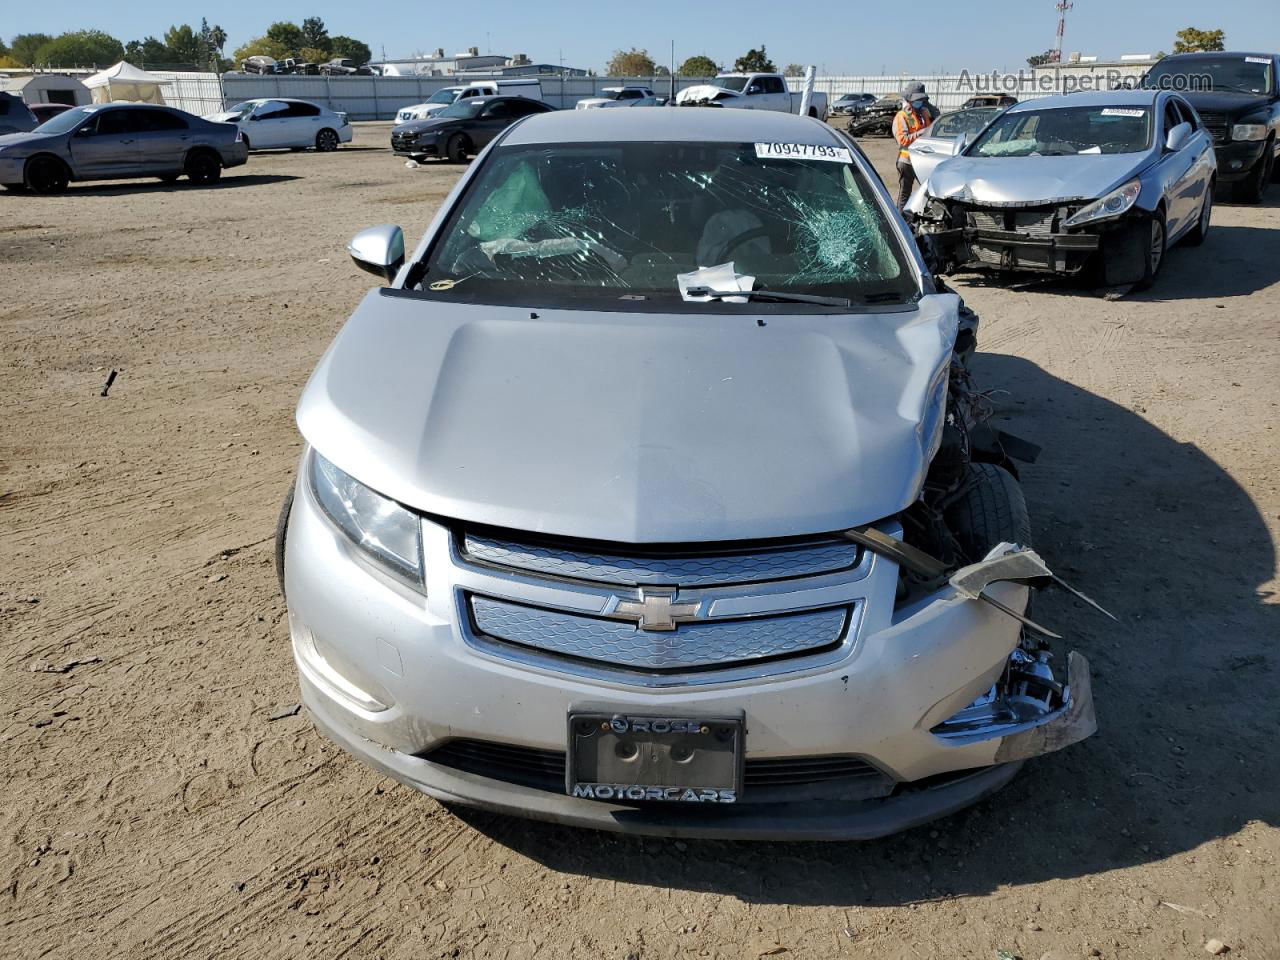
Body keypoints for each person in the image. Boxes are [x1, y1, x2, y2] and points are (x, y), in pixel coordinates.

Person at [892, 80, 940, 209]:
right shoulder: (901, 116)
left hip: (923, 159)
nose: (919, 102)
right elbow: (902, 140)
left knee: (927, 191)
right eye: (917, 100)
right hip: (906, 161)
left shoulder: (924, 113)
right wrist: (920, 132)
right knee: (905, 194)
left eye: (922, 100)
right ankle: (901, 220)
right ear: (909, 99)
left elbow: (936, 120)